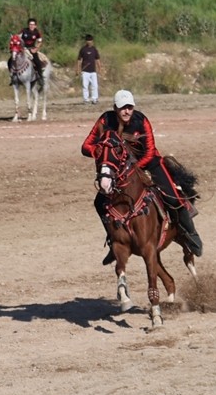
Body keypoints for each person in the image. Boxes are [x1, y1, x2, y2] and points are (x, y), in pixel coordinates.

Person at [81, 89, 203, 264]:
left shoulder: (141, 120)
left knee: (174, 197)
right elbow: (85, 146)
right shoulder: (104, 120)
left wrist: (135, 168)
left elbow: (150, 151)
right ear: (115, 108)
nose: (127, 111)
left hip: (149, 163)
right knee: (99, 202)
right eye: (123, 108)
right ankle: (113, 241)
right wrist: (100, 151)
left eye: (130, 107)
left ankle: (190, 234)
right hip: (121, 169)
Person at [75, 34, 101, 104]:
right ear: (86, 41)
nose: (89, 42)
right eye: (88, 40)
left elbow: (97, 59)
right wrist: (77, 69)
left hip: (93, 71)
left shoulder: (94, 49)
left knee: (94, 85)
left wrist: (99, 68)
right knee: (85, 85)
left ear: (92, 41)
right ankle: (86, 99)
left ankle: (94, 99)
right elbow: (79, 60)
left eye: (90, 40)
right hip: (85, 71)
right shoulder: (83, 49)